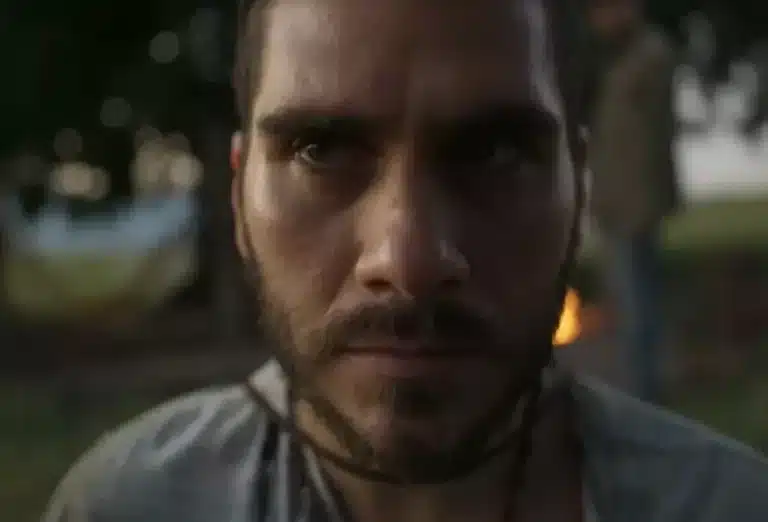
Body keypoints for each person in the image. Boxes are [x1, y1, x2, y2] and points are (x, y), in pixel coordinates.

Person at [44, 1, 767, 521]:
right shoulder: (126, 506)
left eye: (494, 153)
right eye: (321, 150)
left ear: (577, 189)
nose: (409, 259)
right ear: (239, 197)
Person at [585, 0, 680, 404]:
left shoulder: (649, 58)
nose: (598, 22)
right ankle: (641, 391)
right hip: (615, 204)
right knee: (629, 308)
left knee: (638, 310)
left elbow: (648, 146)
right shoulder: (618, 65)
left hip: (635, 206)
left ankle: (645, 397)